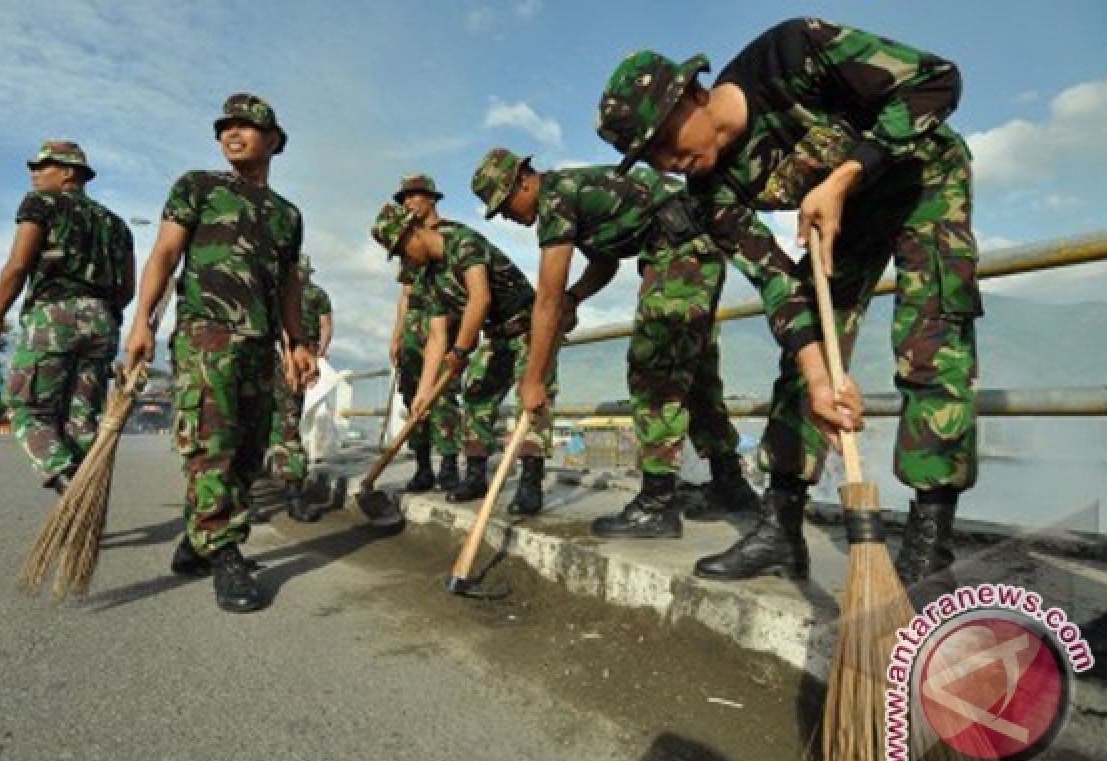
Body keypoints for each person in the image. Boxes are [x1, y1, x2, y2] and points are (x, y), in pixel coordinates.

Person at [595, 17, 976, 586]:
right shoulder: (708, 191)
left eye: (662, 142)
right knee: (804, 365)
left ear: (695, 96)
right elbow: (777, 282)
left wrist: (847, 174)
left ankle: (929, 548)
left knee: (931, 348)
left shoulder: (794, 52)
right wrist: (820, 375)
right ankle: (781, 528)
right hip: (841, 217)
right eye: (647, 157)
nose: (664, 163)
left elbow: (937, 81)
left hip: (921, 183)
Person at [473, 147, 759, 539]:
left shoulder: (555, 198)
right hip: (693, 249)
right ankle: (730, 485)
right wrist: (578, 297)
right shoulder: (576, 193)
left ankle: (658, 504)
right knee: (695, 377)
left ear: (523, 182)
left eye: (505, 206)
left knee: (654, 370)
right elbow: (604, 262)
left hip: (678, 252)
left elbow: (547, 298)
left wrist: (534, 378)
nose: (508, 217)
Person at [125, 93, 315, 613]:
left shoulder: (286, 215)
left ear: (274, 140)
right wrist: (141, 321)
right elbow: (164, 254)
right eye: (225, 127)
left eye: (246, 126)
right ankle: (226, 553)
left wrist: (297, 342)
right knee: (213, 443)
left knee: (252, 450)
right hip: (206, 334)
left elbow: (289, 288)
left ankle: (196, 540)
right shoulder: (198, 187)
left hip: (260, 342)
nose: (232, 133)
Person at [371, 203, 553, 514]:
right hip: (497, 333)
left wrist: (460, 350)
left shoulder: (462, 243)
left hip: (531, 326)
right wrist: (425, 391)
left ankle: (530, 485)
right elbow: (437, 336)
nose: (404, 259)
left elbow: (480, 298)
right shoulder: (429, 276)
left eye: (402, 250)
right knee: (476, 396)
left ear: (415, 231)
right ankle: (476, 476)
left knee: (531, 398)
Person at [0, 141, 133, 484]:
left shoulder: (42, 203)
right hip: (102, 320)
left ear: (69, 173)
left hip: (54, 315)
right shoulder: (116, 224)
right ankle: (84, 494)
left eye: (44, 166)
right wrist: (101, 312)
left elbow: (18, 266)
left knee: (29, 409)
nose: (34, 173)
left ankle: (62, 472)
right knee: (82, 418)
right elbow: (128, 288)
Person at [389, 174, 464, 492]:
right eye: (404, 198)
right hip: (414, 327)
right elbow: (406, 292)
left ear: (432, 198)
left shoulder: (452, 234)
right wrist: (396, 334)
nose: (407, 203)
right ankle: (422, 467)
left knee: (444, 394)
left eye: (414, 196)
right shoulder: (407, 240)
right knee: (412, 396)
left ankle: (448, 466)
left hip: (445, 323)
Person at [267, 253, 333, 520]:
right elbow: (323, 325)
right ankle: (292, 498)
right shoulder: (290, 292)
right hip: (287, 359)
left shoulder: (309, 294)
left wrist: (314, 354)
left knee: (280, 423)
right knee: (285, 423)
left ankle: (252, 501)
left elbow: (325, 324)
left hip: (290, 358)